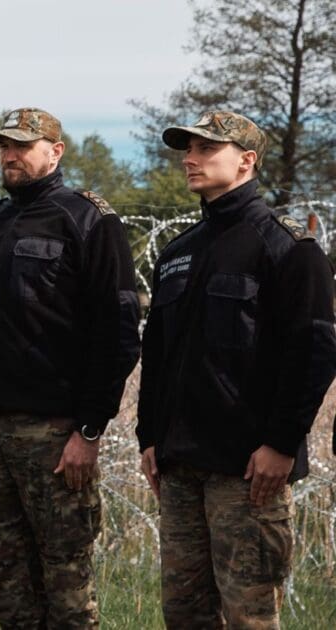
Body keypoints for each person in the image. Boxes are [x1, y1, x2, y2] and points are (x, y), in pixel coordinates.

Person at [137, 111, 336, 628]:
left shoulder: (287, 247)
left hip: (245, 471)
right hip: (180, 465)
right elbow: (157, 354)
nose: (190, 159)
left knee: (248, 615)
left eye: (206, 149)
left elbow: (314, 351)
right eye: (188, 149)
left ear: (246, 160)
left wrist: (281, 443)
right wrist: (148, 437)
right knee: (184, 612)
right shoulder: (179, 252)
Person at [0, 108, 141, 628]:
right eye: (3, 146)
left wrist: (88, 428)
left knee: (66, 581)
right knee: (5, 577)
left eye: (22, 146)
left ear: (55, 152)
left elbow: (119, 332)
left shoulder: (87, 220)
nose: (9, 155)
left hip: (52, 433)